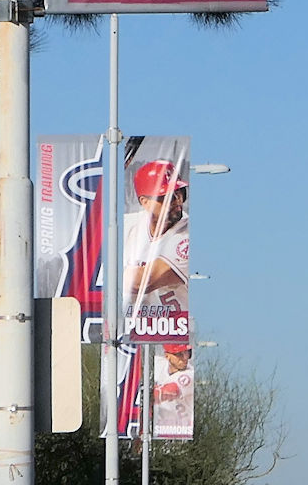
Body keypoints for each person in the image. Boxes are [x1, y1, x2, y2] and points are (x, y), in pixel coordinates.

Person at [122, 159, 189, 334]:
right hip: (129, 329)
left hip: (175, 334)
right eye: (166, 196)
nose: (176, 200)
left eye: (179, 192)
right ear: (145, 202)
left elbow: (140, 282)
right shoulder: (129, 225)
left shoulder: (187, 235)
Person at [152, 343, 195, 438]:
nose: (185, 358)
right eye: (180, 354)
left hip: (180, 430)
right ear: (167, 355)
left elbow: (166, 392)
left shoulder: (189, 375)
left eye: (187, 353)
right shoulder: (159, 364)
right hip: (159, 425)